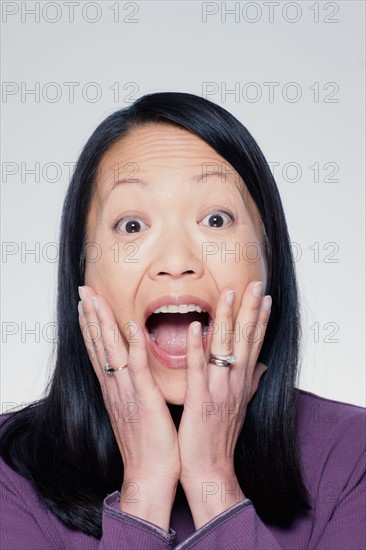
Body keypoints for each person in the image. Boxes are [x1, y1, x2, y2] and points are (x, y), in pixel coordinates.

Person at [0, 92, 364, 550]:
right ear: (82, 273)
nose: (176, 262)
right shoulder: (9, 477)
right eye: (131, 226)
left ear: (269, 259)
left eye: (215, 219)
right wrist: (146, 488)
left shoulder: (353, 457)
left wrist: (213, 482)